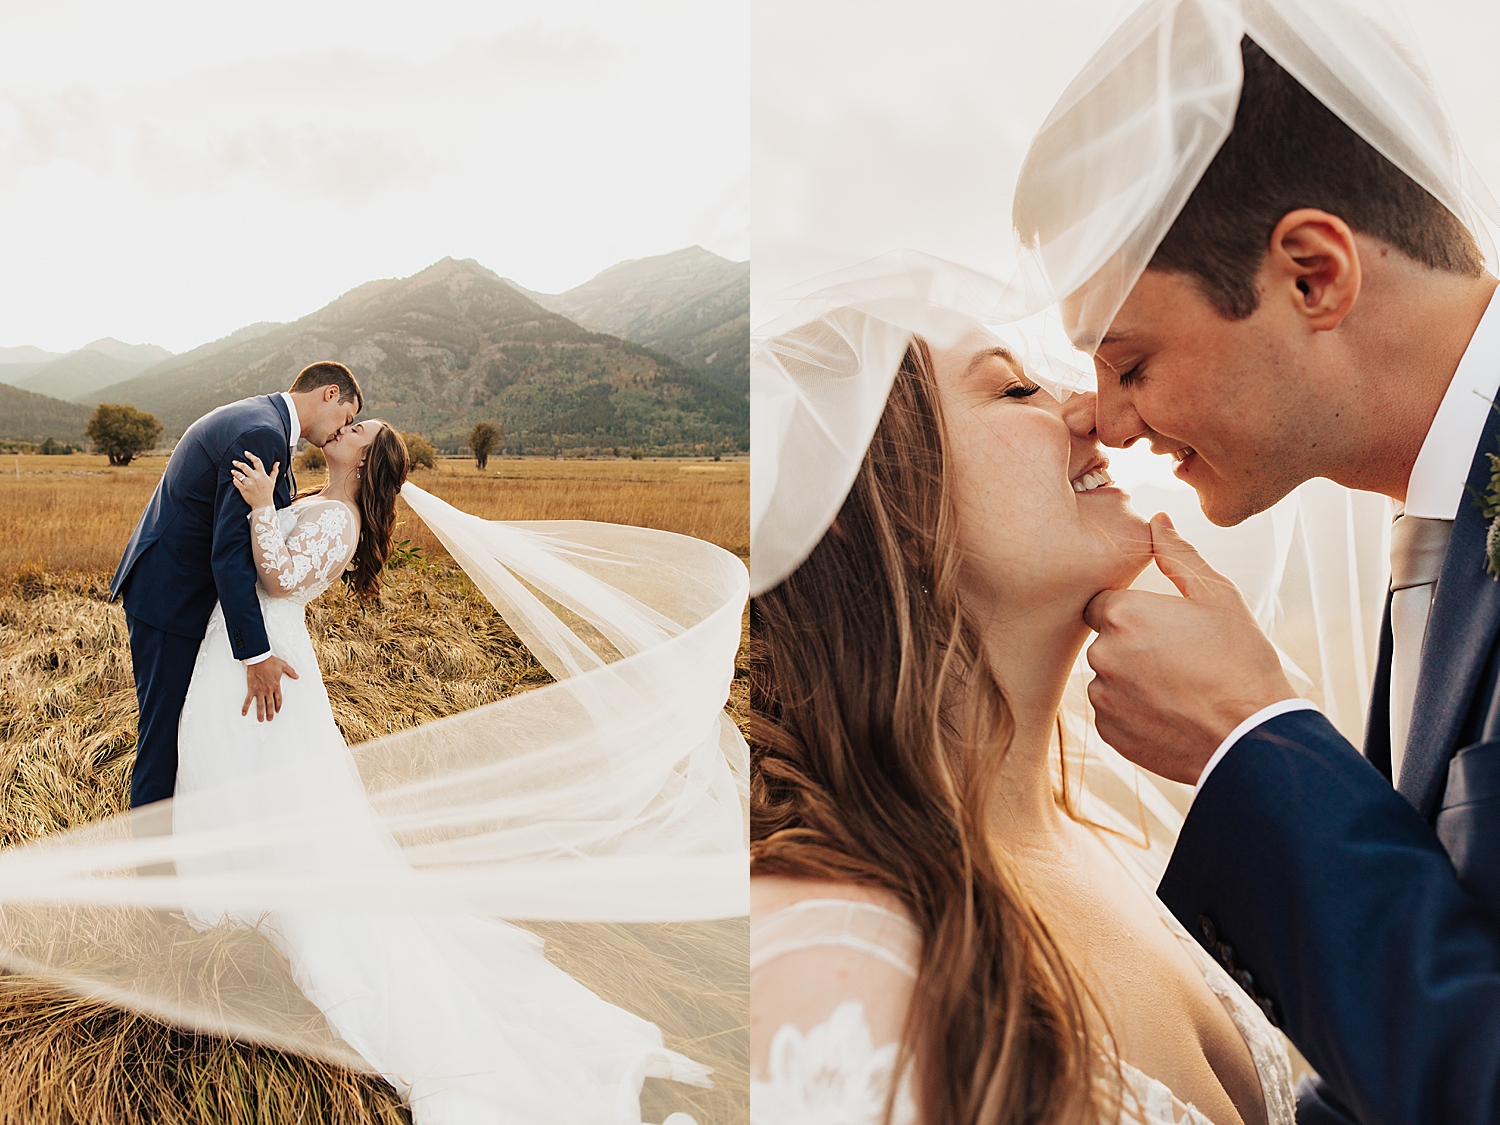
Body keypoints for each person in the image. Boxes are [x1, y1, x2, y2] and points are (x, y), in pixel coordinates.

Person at [1038, 29, 1500, 1125]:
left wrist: (1251, 738)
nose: (1107, 421)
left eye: (1132, 361)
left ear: (1313, 273)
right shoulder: (1435, 525)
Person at [750, 322, 1295, 1124]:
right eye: (1012, 388)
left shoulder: (1109, 834)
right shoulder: (824, 961)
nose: (1090, 411)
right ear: (842, 496)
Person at [173, 421, 712, 1123]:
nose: (342, 425)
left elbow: (276, 576)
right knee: (236, 771)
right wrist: (268, 503)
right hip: (246, 653)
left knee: (266, 786)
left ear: (366, 458)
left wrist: (256, 508)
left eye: (356, 427)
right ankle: (228, 890)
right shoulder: (316, 497)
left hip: (267, 661)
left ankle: (242, 899)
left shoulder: (341, 516)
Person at [110, 361, 361, 808]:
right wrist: (256, 653)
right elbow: (230, 551)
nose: (340, 431)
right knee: (162, 742)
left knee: (184, 738)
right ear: (328, 394)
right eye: (346, 417)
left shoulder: (261, 419)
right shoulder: (260, 435)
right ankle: (153, 874)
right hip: (173, 601)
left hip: (179, 596)